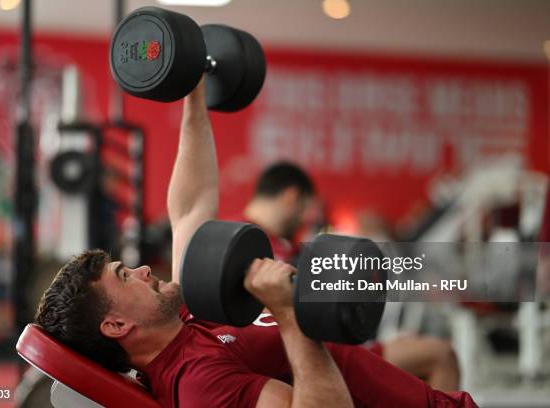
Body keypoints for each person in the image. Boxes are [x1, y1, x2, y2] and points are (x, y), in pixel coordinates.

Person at [35, 79, 476, 407]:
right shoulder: (198, 383)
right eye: (124, 276)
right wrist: (288, 314)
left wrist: (194, 96)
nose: (143, 269)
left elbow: (190, 206)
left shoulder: (188, 312)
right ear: (115, 326)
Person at [244, 162, 461, 392]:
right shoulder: (249, 246)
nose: (306, 218)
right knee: (442, 357)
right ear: (291, 197)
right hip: (308, 351)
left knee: (435, 353)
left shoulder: (281, 246)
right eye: (306, 208)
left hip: (324, 343)